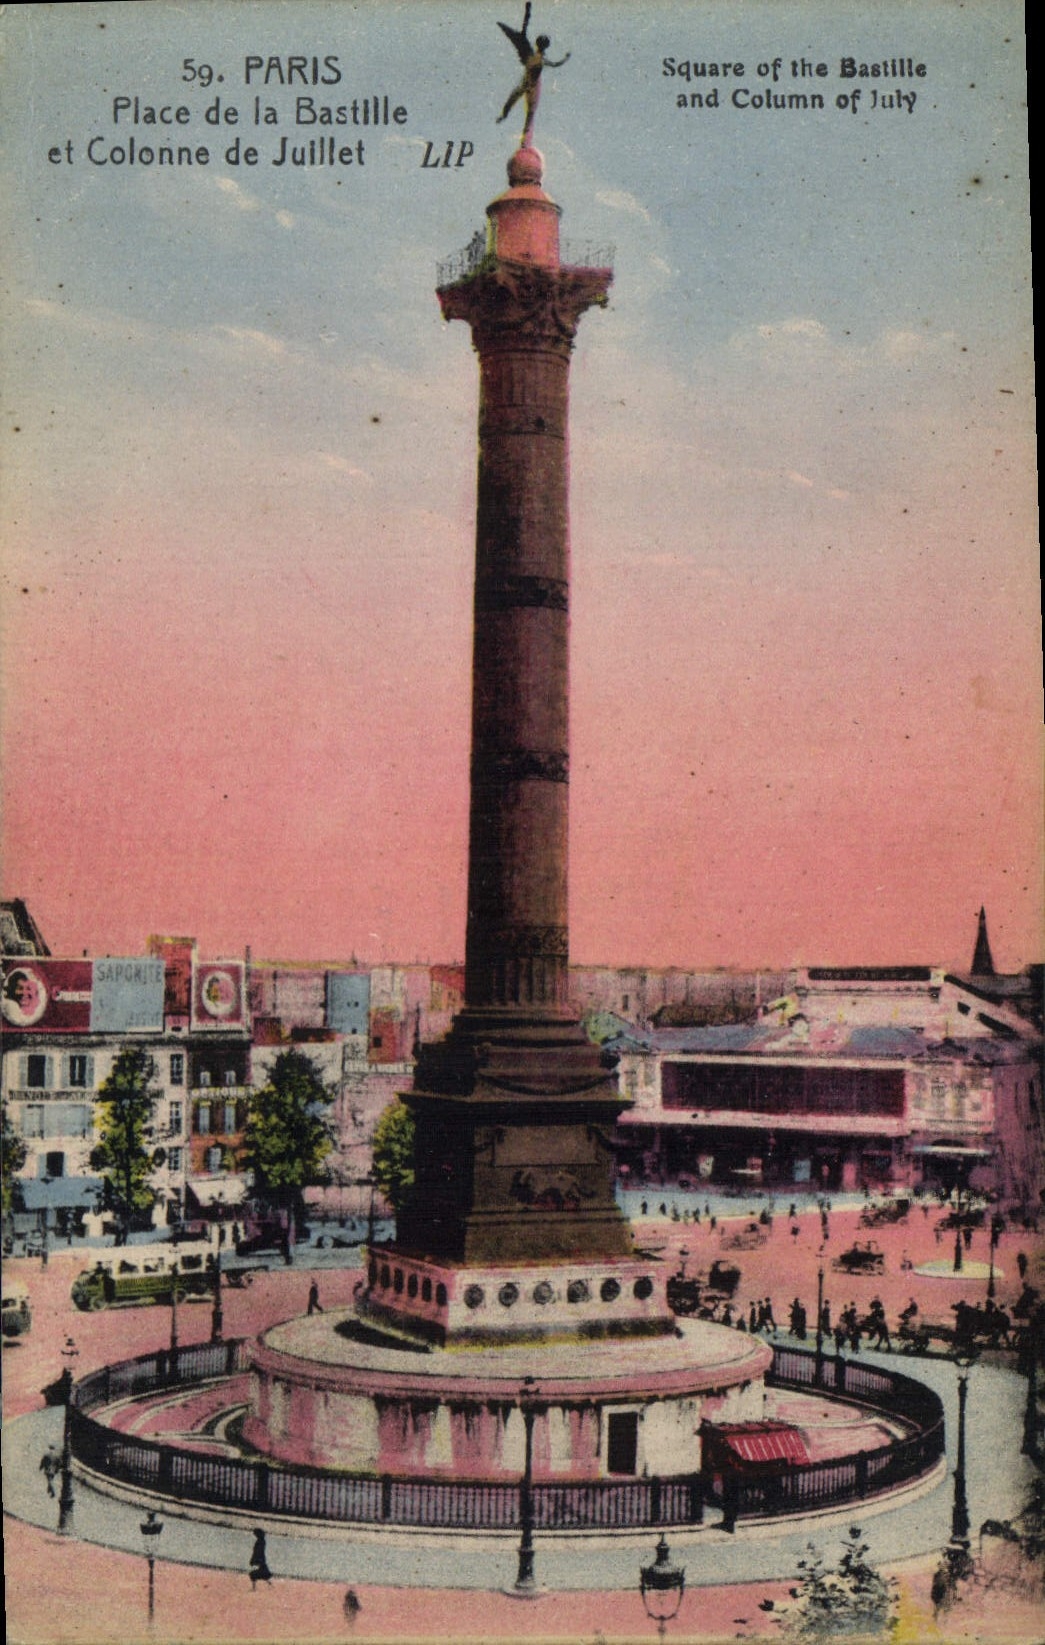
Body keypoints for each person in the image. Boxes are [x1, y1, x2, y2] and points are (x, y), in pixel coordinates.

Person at [495, 4, 571, 143]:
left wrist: (527, 11)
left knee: (515, 103)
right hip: (531, 86)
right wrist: (566, 58)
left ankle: (510, 123)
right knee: (528, 113)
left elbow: (525, 27)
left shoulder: (532, 55)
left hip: (527, 84)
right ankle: (522, 137)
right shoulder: (539, 59)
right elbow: (555, 64)